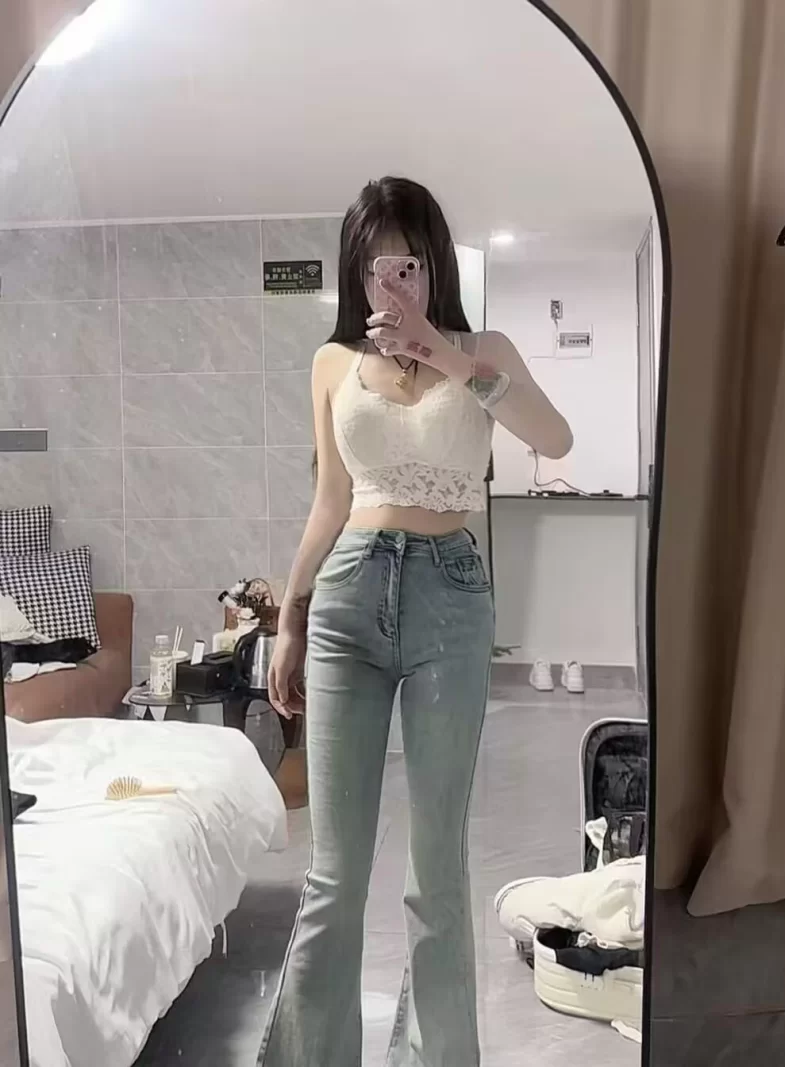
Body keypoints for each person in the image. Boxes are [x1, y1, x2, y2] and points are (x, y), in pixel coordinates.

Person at [258, 176, 572, 1067]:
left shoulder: (481, 351)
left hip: (449, 597)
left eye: (409, 264)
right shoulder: (331, 364)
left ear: (434, 266)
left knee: (437, 870)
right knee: (333, 873)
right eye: (376, 266)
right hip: (347, 599)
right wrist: (289, 617)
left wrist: (444, 353)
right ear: (356, 272)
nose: (392, 282)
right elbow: (330, 499)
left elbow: (554, 439)